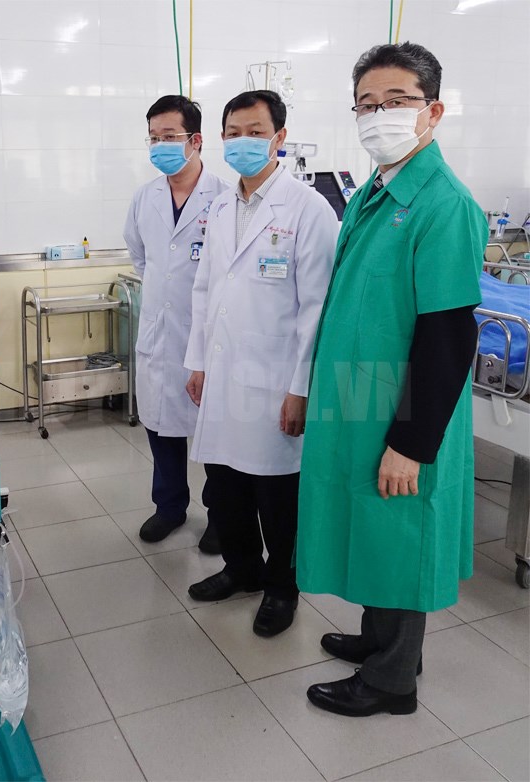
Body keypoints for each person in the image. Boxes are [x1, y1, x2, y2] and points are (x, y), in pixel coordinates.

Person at [296, 42, 489, 716]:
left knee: (401, 531)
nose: (380, 115)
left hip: (403, 408)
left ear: (433, 111)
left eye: (398, 101)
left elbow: (448, 335)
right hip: (361, 396)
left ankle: (391, 681)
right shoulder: (375, 192)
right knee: (373, 524)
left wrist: (411, 442)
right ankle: (379, 640)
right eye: (367, 104)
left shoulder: (443, 204)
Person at [184, 90, 338, 636]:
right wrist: (198, 361)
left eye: (255, 132)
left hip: (275, 380)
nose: (242, 142)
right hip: (224, 375)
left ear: (279, 138)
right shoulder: (221, 206)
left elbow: (317, 309)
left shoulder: (308, 209)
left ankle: (281, 588)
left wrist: (301, 388)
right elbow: (205, 289)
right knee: (226, 486)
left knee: (277, 497)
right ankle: (242, 569)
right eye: (233, 132)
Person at [124, 95, 229, 553]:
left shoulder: (225, 198)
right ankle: (169, 507)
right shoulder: (144, 197)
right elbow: (141, 256)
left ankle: (221, 515)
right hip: (159, 333)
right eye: (153, 138)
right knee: (160, 425)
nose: (159, 146)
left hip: (208, 337)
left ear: (196, 140)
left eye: (169, 137)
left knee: (214, 432)